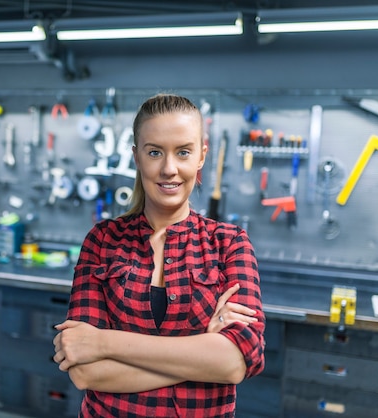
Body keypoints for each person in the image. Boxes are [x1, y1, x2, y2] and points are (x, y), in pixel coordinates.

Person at [53, 93, 265, 417]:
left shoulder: (230, 244)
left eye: (183, 152)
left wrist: (102, 344)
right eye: (155, 152)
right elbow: (84, 371)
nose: (169, 169)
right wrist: (203, 355)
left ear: (201, 157)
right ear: (136, 157)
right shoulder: (102, 241)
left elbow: (236, 362)